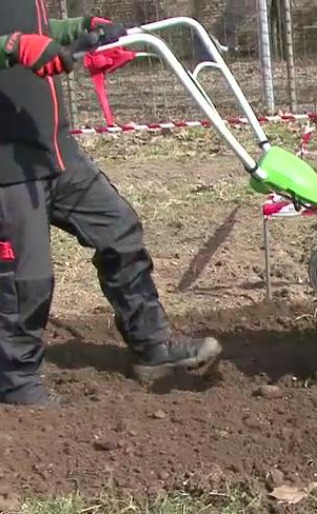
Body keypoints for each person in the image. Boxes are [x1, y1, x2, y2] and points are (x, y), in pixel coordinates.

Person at [0, 1, 223, 406]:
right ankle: (16, 385)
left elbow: (37, 30)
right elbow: (18, 41)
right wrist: (12, 47)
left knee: (118, 231)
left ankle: (153, 346)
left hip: (54, 150)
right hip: (6, 163)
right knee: (26, 282)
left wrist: (77, 29)